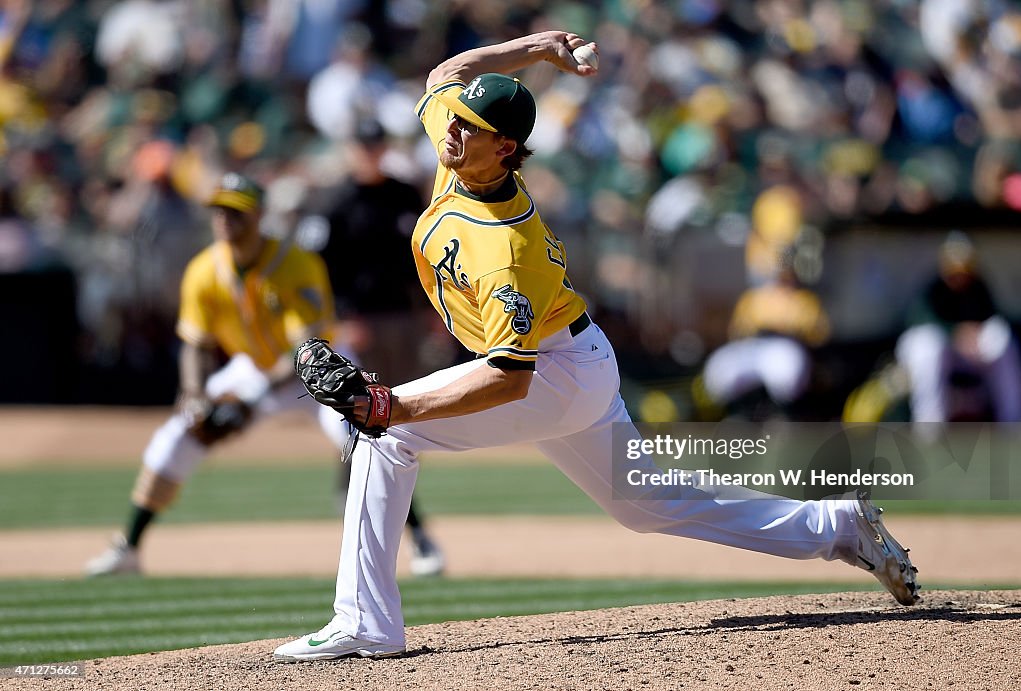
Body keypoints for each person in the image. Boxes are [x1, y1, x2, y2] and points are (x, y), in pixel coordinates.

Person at [272, 31, 919, 663]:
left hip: (551, 374)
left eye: (468, 126)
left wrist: (388, 405)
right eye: (456, 120)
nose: (450, 130)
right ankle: (837, 526)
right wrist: (535, 50)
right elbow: (445, 73)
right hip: (575, 358)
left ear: (503, 148)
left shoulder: (507, 248)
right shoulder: (459, 153)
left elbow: (507, 379)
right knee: (647, 501)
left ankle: (364, 620)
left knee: (389, 436)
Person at [84, 173, 399, 576]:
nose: (225, 220)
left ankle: (421, 540)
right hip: (254, 367)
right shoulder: (203, 270)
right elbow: (195, 344)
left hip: (321, 365)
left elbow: (304, 351)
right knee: (176, 435)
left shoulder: (294, 263)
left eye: (236, 211)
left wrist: (251, 401)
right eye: (219, 211)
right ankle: (128, 546)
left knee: (366, 437)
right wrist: (194, 393)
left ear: (258, 215)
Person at [317, 117, 446, 576]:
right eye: (363, 144)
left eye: (376, 144)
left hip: (405, 319)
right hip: (363, 323)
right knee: (371, 413)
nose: (370, 152)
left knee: (404, 413)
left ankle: (375, 485)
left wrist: (435, 310)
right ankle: (361, 487)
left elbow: (424, 255)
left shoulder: (403, 194)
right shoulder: (338, 203)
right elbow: (326, 269)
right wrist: (344, 319)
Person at [896, 231, 1021, 429]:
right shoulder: (934, 288)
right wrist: (955, 332)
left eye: (964, 268)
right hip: (930, 353)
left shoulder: (978, 287)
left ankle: (1013, 423)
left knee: (1004, 341)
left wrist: (975, 335)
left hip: (965, 355)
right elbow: (918, 321)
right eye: (954, 268)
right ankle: (930, 427)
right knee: (930, 346)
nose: (959, 275)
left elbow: (993, 319)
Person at [701, 248, 830, 420]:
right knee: (722, 368)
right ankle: (736, 413)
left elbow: (818, 334)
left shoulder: (803, 299)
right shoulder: (754, 297)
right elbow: (738, 330)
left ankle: (781, 416)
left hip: (785, 344)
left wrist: (792, 325)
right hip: (754, 345)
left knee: (784, 371)